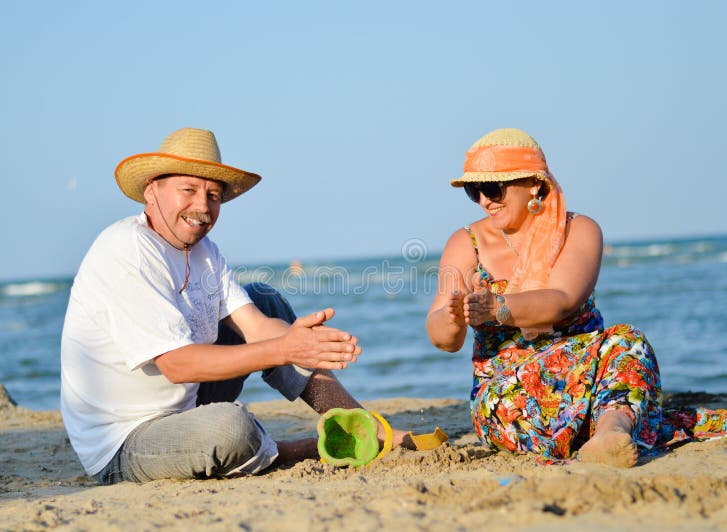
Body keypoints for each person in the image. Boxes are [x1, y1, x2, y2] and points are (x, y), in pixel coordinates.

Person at [61, 127, 401, 484]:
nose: (202, 207)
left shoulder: (206, 252)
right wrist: (284, 348)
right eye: (188, 190)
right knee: (231, 428)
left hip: (186, 405)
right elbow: (177, 364)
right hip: (126, 441)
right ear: (151, 190)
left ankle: (362, 430)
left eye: (213, 195)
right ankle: (292, 449)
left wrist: (304, 344)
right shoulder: (128, 248)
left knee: (264, 299)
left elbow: (255, 326)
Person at [426, 128, 662, 467]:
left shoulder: (579, 230)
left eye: (492, 188)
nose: (484, 200)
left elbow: (562, 300)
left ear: (534, 184)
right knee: (505, 399)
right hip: (510, 395)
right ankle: (596, 429)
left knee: (627, 342)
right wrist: (455, 314)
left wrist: (496, 307)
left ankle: (611, 434)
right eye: (473, 191)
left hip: (585, 373)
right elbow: (443, 339)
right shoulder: (466, 243)